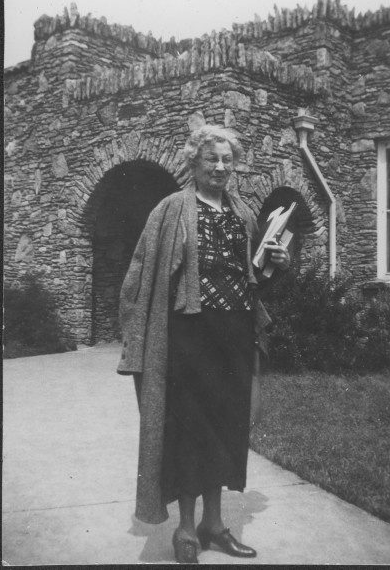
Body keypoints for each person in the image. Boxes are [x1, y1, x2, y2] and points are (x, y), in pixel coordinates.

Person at [117, 125, 290, 564]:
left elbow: (252, 279)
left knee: (224, 430)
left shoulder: (242, 213)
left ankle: (215, 526)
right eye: (211, 158)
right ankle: (187, 530)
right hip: (188, 336)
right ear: (193, 162)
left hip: (233, 335)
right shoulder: (171, 210)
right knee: (190, 432)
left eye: (227, 160)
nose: (219, 167)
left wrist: (276, 264)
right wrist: (136, 335)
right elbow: (140, 274)